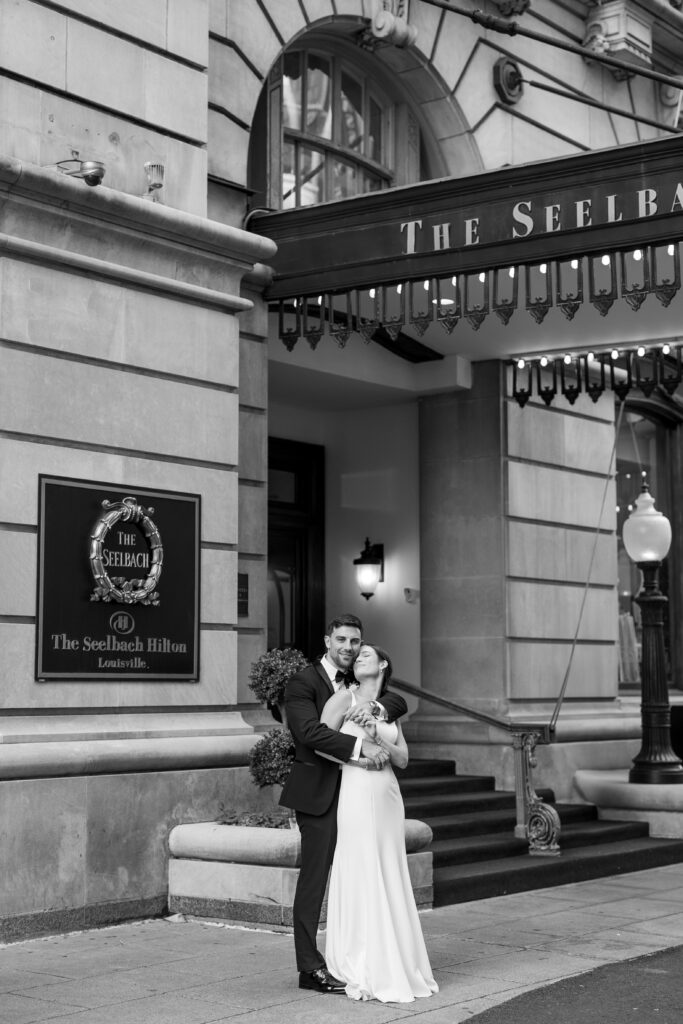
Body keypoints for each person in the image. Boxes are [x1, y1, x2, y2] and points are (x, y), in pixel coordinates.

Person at [279, 613, 408, 994]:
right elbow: (307, 732)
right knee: (315, 879)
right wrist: (361, 746)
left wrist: (378, 711)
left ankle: (362, 954)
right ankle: (310, 967)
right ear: (327, 640)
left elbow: (397, 699)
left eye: (355, 641)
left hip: (360, 793)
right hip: (319, 791)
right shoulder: (303, 681)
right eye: (341, 640)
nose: (349, 648)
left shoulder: (361, 684)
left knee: (362, 873)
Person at [322, 643, 438, 1003]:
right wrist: (357, 757)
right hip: (357, 790)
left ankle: (398, 959)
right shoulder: (343, 699)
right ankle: (362, 960)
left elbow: (401, 758)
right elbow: (320, 743)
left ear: (383, 664)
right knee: (362, 866)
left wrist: (374, 728)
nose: (357, 659)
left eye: (365, 655)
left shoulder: (388, 709)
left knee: (389, 868)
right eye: (355, 658)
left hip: (388, 793)